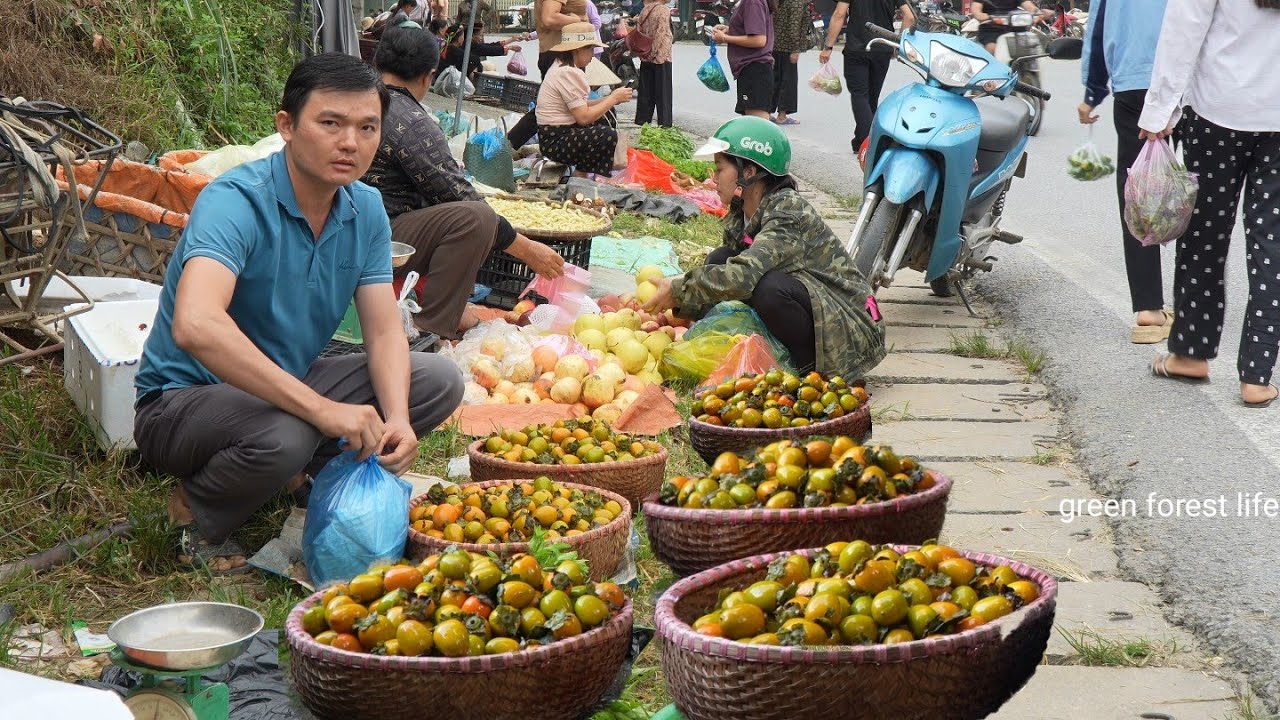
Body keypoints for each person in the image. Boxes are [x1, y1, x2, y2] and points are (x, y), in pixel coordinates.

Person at [133, 53, 465, 574]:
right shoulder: (236, 201)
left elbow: (381, 330)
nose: (350, 142)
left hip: (284, 383)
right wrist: (321, 409)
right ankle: (196, 513)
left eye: (367, 127)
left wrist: (398, 418)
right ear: (286, 126)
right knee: (288, 432)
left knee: (438, 379)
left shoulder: (366, 209)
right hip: (183, 403)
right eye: (330, 123)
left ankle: (301, 474)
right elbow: (196, 325)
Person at [642, 117, 887, 377]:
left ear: (748, 172)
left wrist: (680, 289)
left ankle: (806, 372)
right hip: (813, 305)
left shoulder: (787, 211)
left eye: (720, 168)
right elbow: (731, 267)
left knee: (769, 289)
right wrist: (684, 305)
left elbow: (745, 275)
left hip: (849, 329)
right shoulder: (743, 208)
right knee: (720, 257)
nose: (712, 178)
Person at [365, 27, 565, 339]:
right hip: (376, 237)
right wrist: (526, 249)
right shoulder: (411, 122)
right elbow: (461, 198)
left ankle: (449, 312)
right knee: (477, 219)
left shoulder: (359, 102)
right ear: (428, 77)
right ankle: (430, 326)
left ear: (376, 64)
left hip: (348, 222)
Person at [1139, 0, 1280, 407]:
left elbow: (1183, 30)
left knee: (1204, 237)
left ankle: (1191, 353)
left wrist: (1159, 110)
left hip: (1218, 112)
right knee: (1272, 246)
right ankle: (1257, 376)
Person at [1078, 0, 1172, 343]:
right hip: (1192, 85)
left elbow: (1099, 29)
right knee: (1205, 192)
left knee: (1138, 192)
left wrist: (1092, 94)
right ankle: (1197, 303)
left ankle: (1149, 307)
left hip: (1135, 82)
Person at [535, 22, 634, 176]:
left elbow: (581, 106)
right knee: (606, 135)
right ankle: (580, 175)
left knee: (607, 112)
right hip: (554, 140)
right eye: (591, 49)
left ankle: (590, 171)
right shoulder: (567, 72)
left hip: (561, 132)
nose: (593, 55)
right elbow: (583, 118)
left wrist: (608, 100)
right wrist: (613, 98)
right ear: (578, 49)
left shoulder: (564, 67)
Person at [819, 0, 914, 153]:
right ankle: (860, 140)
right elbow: (909, 16)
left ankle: (869, 142)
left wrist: (828, 46)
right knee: (872, 96)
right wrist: (898, 45)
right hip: (882, 48)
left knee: (860, 95)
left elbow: (839, 14)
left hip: (857, 49)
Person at [506, 0, 589, 148]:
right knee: (552, 109)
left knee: (559, 108)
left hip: (563, 51)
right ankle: (509, 145)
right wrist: (577, 19)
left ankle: (509, 145)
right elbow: (549, 18)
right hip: (560, 53)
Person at [712, 0, 775, 120]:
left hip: (755, 70)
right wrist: (730, 30)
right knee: (752, 125)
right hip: (752, 69)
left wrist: (725, 38)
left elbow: (759, 40)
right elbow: (751, 30)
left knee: (757, 128)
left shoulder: (752, 2)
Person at [632, 0, 674, 127]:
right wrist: (653, 52)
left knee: (646, 93)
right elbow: (660, 33)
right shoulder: (663, 10)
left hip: (645, 57)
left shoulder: (645, 10)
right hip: (661, 57)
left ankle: (643, 122)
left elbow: (639, 31)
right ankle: (664, 124)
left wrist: (645, 54)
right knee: (663, 94)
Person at [771, 0, 812, 125]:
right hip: (788, 47)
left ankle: (767, 112)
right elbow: (794, 27)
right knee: (788, 81)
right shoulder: (797, 3)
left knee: (775, 79)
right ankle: (782, 116)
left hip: (775, 45)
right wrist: (795, 49)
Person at [443, 21, 520, 82]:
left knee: (491, 67)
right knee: (481, 67)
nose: (481, 38)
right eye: (480, 35)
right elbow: (488, 49)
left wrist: (511, 41)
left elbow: (488, 46)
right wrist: (509, 47)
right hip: (455, 76)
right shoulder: (468, 45)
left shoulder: (464, 44)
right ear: (472, 35)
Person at [970, 0, 1051, 54]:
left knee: (1032, 49)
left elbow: (1028, 5)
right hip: (991, 29)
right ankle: (994, 77)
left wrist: (1038, 12)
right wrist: (984, 16)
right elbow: (976, 10)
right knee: (992, 48)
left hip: (1016, 28)